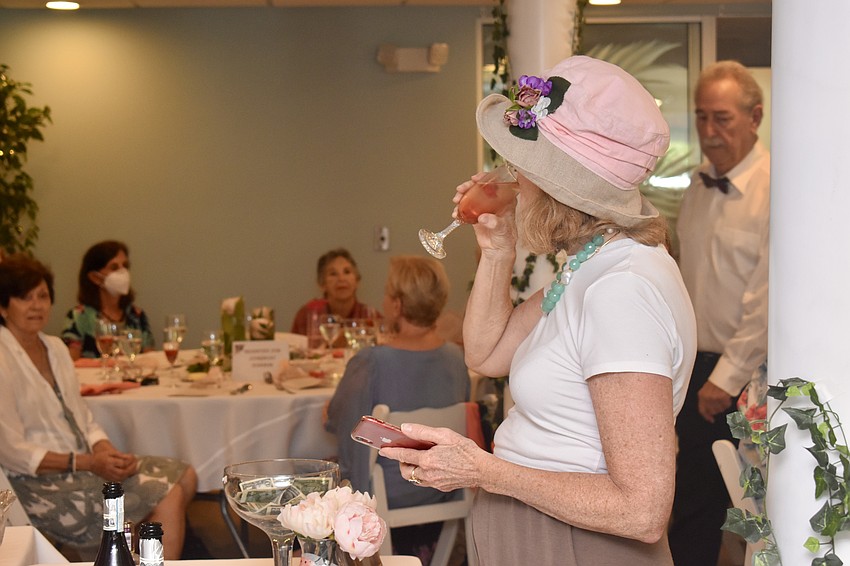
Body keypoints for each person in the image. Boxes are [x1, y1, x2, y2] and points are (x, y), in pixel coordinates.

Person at [379, 55, 697, 566]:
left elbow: (642, 510)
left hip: (575, 544)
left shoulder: (622, 290)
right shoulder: (590, 264)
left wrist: (482, 471)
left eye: (523, 170)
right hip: (539, 529)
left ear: (561, 190)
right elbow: (485, 354)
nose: (511, 181)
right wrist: (498, 250)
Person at [0, 253, 197, 559]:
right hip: (35, 483)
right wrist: (89, 462)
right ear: (3, 306)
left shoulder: (55, 347)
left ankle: (125, 551)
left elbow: (83, 417)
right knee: (167, 494)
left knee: (185, 475)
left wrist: (104, 449)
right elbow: (12, 451)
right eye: (24, 298)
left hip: (83, 464)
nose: (37, 305)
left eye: (42, 296)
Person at [668, 60, 770, 566]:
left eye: (722, 118)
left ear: (755, 116)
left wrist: (724, 378)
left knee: (747, 509)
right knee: (690, 501)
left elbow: (766, 298)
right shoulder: (696, 187)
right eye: (701, 117)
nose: (709, 132)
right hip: (694, 368)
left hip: (746, 376)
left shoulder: (777, 190)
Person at [324, 255, 469, 562]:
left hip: (388, 493)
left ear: (398, 306)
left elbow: (342, 427)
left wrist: (331, 410)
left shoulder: (371, 362)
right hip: (440, 485)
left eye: (389, 292)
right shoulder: (457, 359)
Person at [62, 240, 155, 360]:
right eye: (114, 267)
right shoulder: (78, 317)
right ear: (95, 278)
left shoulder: (136, 316)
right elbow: (70, 363)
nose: (123, 272)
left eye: (125, 266)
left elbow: (150, 358)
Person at [290, 248, 378, 343]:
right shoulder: (308, 316)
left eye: (347, 272)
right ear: (322, 284)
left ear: (357, 281)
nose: (341, 279)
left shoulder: (370, 316)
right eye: (333, 274)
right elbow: (295, 351)